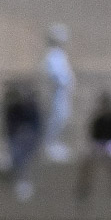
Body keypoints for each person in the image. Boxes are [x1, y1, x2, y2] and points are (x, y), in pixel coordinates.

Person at [76, 92, 111, 201]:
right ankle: (84, 186)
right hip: (100, 144)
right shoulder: (98, 119)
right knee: (87, 161)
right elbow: (93, 136)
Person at [1, 80, 42, 202]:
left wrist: (27, 132)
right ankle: (16, 176)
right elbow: (9, 127)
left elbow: (36, 126)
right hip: (15, 138)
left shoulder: (32, 108)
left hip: (28, 138)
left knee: (23, 156)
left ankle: (22, 179)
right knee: (16, 155)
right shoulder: (12, 108)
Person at [42, 25, 75, 164]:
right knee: (57, 117)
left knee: (63, 116)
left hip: (63, 93)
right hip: (57, 92)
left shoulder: (60, 55)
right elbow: (54, 73)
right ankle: (50, 145)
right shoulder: (52, 55)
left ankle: (54, 143)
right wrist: (62, 81)